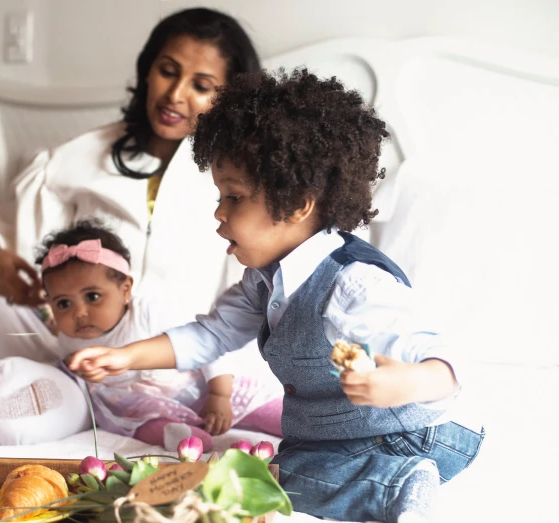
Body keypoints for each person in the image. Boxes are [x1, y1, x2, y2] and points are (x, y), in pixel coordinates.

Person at [68, 69, 485, 523]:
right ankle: (374, 478)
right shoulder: (264, 279)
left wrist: (402, 382)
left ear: (296, 204)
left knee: (286, 484)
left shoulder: (353, 285)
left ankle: (398, 486)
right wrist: (127, 358)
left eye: (234, 197)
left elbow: (447, 365)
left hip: (418, 432)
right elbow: (211, 335)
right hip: (344, 436)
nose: (218, 213)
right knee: (272, 474)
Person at [0, 7, 266, 375]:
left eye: (201, 86)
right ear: (148, 70)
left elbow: (245, 298)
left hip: (175, 358)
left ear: (228, 98)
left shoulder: (238, 184)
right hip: (60, 337)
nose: (175, 94)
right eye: (167, 71)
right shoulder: (81, 155)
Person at [0, 220, 281, 450]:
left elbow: (210, 345)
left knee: (254, 402)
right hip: (140, 402)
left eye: (92, 296)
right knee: (136, 422)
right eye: (63, 303)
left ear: (125, 290)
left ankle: (290, 420)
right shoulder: (69, 335)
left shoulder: (149, 311)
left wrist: (219, 395)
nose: (78, 313)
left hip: (194, 385)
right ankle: (180, 437)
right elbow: (80, 372)